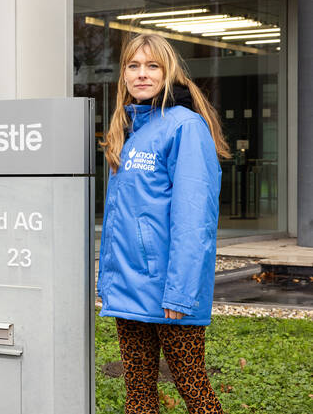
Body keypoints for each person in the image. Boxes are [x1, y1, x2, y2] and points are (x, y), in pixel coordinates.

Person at [97, 34, 231, 414]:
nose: (142, 74)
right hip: (130, 288)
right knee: (138, 394)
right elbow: (123, 219)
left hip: (171, 293)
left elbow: (194, 218)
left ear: (168, 72)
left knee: (195, 390)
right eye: (133, 66)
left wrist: (181, 292)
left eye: (152, 66)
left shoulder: (184, 127)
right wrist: (109, 281)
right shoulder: (130, 127)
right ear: (123, 74)